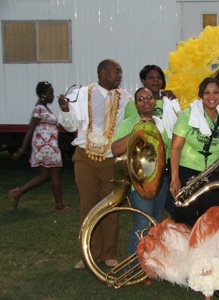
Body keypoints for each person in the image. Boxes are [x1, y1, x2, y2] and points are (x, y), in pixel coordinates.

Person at [58, 59, 132, 269]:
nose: (120, 75)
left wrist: (163, 98)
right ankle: (88, 253)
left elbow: (143, 107)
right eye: (116, 71)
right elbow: (70, 124)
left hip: (112, 160)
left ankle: (109, 254)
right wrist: (65, 109)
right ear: (102, 72)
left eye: (120, 72)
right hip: (85, 158)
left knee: (111, 206)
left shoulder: (125, 98)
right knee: (88, 206)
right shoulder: (81, 95)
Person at [111, 87, 170, 257]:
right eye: (141, 99)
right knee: (142, 222)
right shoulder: (128, 123)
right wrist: (138, 131)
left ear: (154, 101)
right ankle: (133, 266)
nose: (146, 102)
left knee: (155, 222)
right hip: (139, 181)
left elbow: (166, 149)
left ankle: (149, 263)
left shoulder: (160, 123)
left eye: (149, 98)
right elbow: (115, 149)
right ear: (136, 104)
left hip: (159, 180)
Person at [169, 77, 219, 227]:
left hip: (213, 175)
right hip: (187, 174)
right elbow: (176, 148)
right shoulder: (187, 116)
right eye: (207, 93)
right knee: (185, 221)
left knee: (209, 223)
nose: (211, 97)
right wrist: (175, 177)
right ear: (201, 95)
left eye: (216, 93)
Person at [124, 65, 180, 219]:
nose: (156, 80)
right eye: (151, 77)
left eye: (159, 77)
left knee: (163, 211)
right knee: (145, 218)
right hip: (145, 164)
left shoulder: (170, 101)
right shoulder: (132, 105)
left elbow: (179, 127)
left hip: (167, 162)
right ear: (143, 81)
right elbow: (133, 130)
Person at [8, 81, 71, 212]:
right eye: (50, 93)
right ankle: (60, 206)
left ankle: (18, 192)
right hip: (45, 146)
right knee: (55, 175)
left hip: (48, 145)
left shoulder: (45, 108)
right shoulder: (39, 109)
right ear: (43, 95)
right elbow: (31, 129)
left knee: (45, 176)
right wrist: (22, 149)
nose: (53, 96)